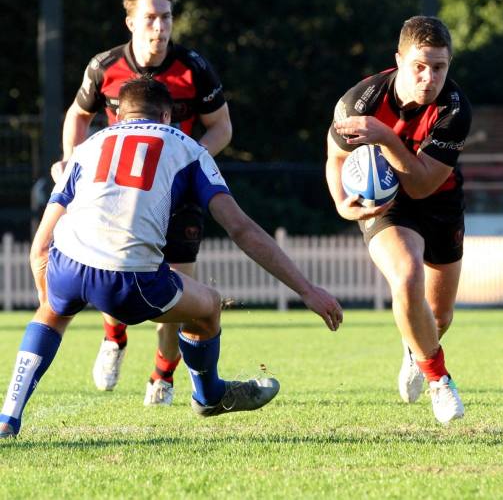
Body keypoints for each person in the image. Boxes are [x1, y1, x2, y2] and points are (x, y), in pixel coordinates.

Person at [0, 78, 342, 439]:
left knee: (51, 315)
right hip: (130, 279)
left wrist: (49, 295)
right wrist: (305, 289)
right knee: (209, 305)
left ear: (116, 116)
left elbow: (40, 246)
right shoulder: (187, 147)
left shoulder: (87, 147)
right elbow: (240, 229)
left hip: (68, 262)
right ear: (167, 115)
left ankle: (8, 417)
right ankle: (209, 395)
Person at [52, 0, 233, 406]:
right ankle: (114, 337)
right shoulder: (104, 66)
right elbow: (78, 114)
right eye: (150, 17)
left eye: (166, 16)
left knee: (180, 290)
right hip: (119, 197)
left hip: (179, 199)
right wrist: (71, 158)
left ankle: (162, 377)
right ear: (130, 21)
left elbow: (222, 127)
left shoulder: (194, 68)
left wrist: (185, 165)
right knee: (114, 270)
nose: (159, 26)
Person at [324, 16, 471, 423]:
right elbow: (335, 156)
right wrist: (340, 202)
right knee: (407, 278)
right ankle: (440, 379)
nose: (429, 77)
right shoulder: (362, 101)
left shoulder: (455, 110)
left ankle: (414, 349)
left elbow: (423, 185)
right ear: (399, 61)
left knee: (439, 317)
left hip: (437, 200)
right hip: (387, 203)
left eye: (439, 67)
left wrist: (385, 137)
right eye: (419, 66)